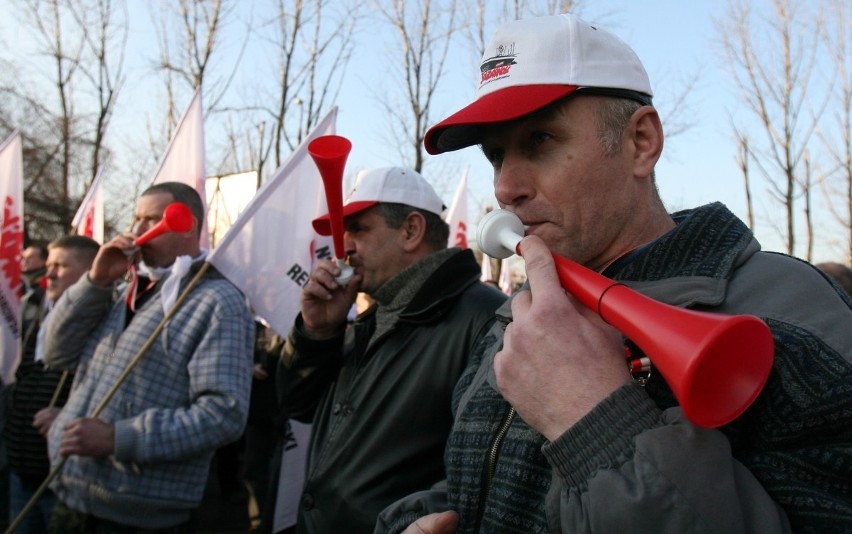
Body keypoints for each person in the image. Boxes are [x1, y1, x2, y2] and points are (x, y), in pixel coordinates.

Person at [377, 13, 852, 534]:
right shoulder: (516, 315)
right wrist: (416, 520)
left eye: (539, 140)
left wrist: (595, 421)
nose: (506, 187)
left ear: (641, 142)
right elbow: (478, 478)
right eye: (496, 155)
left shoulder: (792, 315)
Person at [276, 167, 507, 533]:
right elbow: (296, 405)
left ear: (411, 230)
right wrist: (317, 333)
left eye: (358, 229)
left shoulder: (487, 318)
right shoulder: (374, 316)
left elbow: (485, 474)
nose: (344, 246)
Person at [42, 182, 255, 532]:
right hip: (70, 490)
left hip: (135, 513)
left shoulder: (218, 302)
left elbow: (223, 414)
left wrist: (117, 438)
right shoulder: (121, 289)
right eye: (136, 218)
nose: (136, 230)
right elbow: (55, 353)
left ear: (185, 225)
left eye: (151, 219)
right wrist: (94, 282)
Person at [5, 235, 99, 533]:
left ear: (89, 271)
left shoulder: (104, 323)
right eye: (48, 265)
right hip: (22, 472)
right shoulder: (39, 317)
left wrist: (73, 416)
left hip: (63, 479)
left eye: (60, 266)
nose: (48, 274)